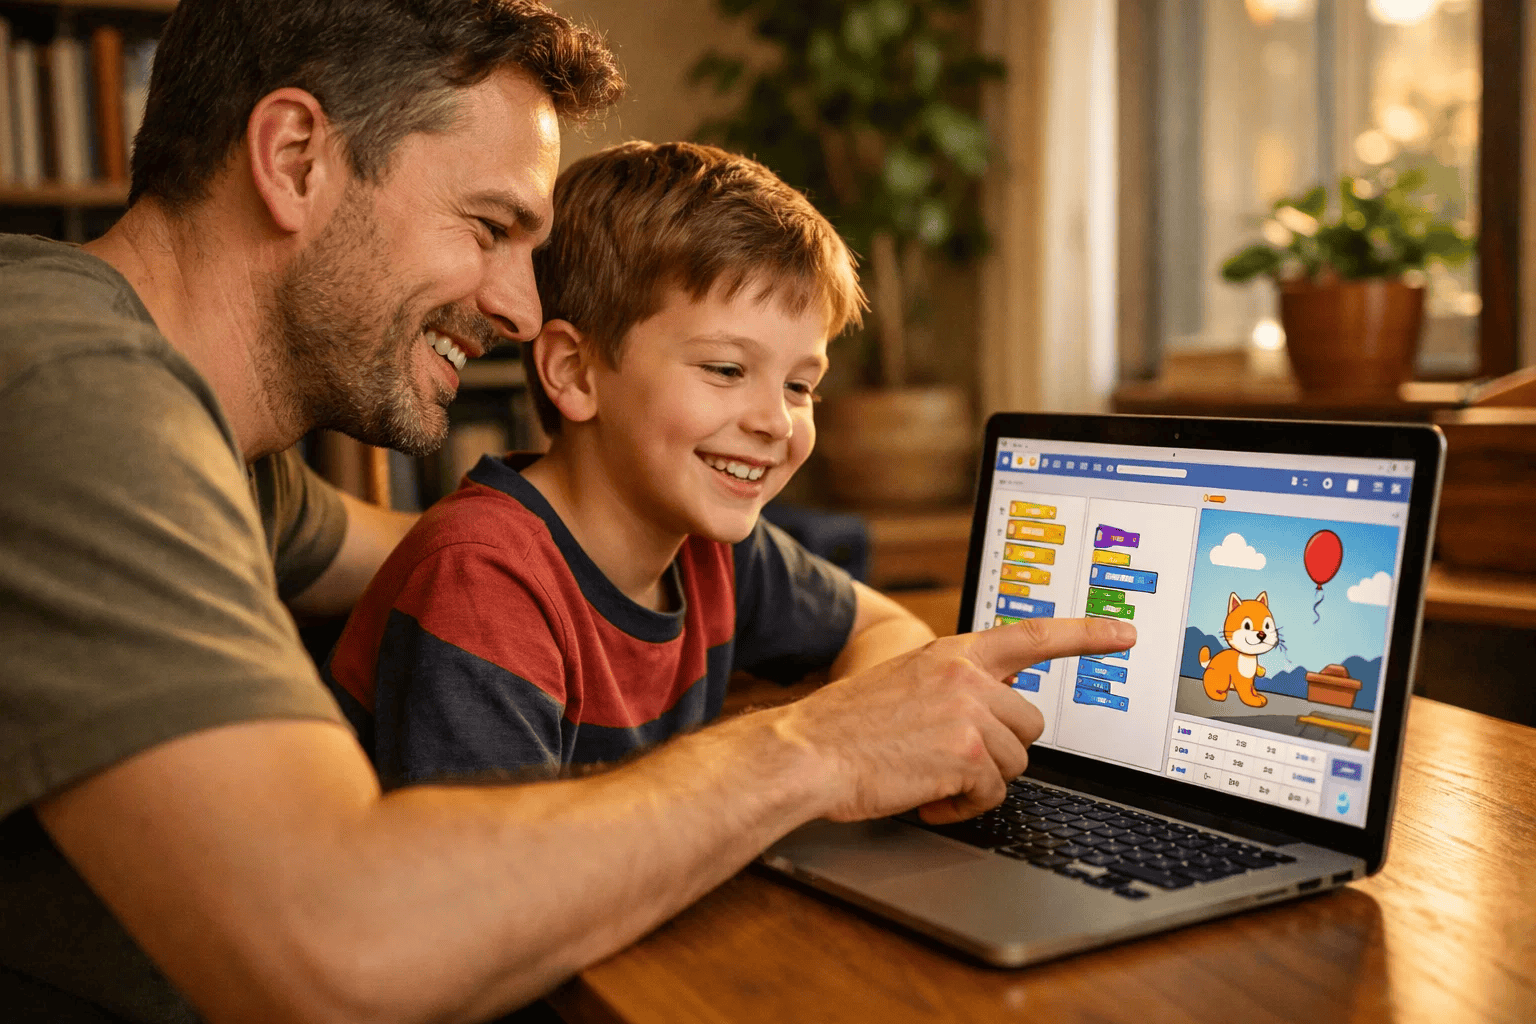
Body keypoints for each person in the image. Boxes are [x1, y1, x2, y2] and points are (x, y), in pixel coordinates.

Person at [0, 2, 1135, 1023]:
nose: (516, 302)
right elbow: (348, 950)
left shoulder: (215, 449)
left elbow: (491, 548)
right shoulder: (69, 390)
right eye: (490, 227)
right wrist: (813, 749)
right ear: (295, 158)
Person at [326, 141, 939, 785]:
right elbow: (499, 874)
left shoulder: (716, 553)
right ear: (575, 371)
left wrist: (843, 734)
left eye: (799, 386)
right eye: (727, 369)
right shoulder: (484, 582)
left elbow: (892, 630)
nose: (777, 422)